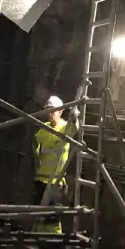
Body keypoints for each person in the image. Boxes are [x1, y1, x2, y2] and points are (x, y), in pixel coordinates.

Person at [32, 95, 81, 236]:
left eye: (53, 110)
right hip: (41, 178)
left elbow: (74, 128)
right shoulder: (44, 128)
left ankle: (55, 241)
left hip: (55, 181)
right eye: (48, 110)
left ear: (60, 112)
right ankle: (40, 240)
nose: (50, 114)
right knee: (40, 214)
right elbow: (35, 142)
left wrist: (75, 117)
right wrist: (36, 157)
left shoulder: (65, 127)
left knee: (53, 215)